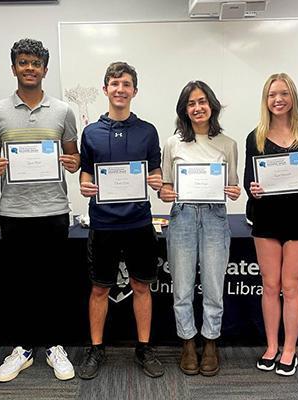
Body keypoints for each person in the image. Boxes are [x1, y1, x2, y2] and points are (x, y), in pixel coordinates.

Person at [0, 38, 80, 382]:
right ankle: (23, 348)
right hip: (14, 211)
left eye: (35, 63)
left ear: (45, 70)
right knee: (19, 283)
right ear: (14, 68)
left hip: (54, 209)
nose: (29, 68)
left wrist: (72, 162)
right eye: (23, 62)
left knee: (54, 282)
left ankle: (54, 345)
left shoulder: (63, 111)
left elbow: (74, 156)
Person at [78, 61, 164, 380]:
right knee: (100, 289)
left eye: (126, 84)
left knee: (141, 285)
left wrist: (156, 180)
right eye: (114, 83)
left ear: (134, 91)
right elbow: (86, 174)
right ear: (105, 89)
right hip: (103, 224)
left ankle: (143, 347)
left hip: (139, 223)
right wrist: (84, 184)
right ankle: (96, 348)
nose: (120, 89)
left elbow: (154, 171)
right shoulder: (91, 132)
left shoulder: (148, 130)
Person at [244, 73, 298, 376]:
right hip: (266, 218)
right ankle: (271, 346)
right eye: (272, 94)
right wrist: (255, 188)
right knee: (270, 285)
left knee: (291, 288)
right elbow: (252, 179)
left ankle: (289, 349)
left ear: (293, 96)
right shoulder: (256, 136)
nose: (278, 99)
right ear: (265, 100)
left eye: (284, 93)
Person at [159, 81, 240, 376]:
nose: (197, 108)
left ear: (212, 105)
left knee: (214, 287)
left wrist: (234, 191)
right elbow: (166, 187)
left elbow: (232, 186)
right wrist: (164, 193)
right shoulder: (172, 143)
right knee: (181, 287)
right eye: (191, 103)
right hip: (182, 217)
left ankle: (210, 342)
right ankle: (188, 343)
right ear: (184, 110)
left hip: (215, 217)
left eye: (202, 101)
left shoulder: (228, 144)